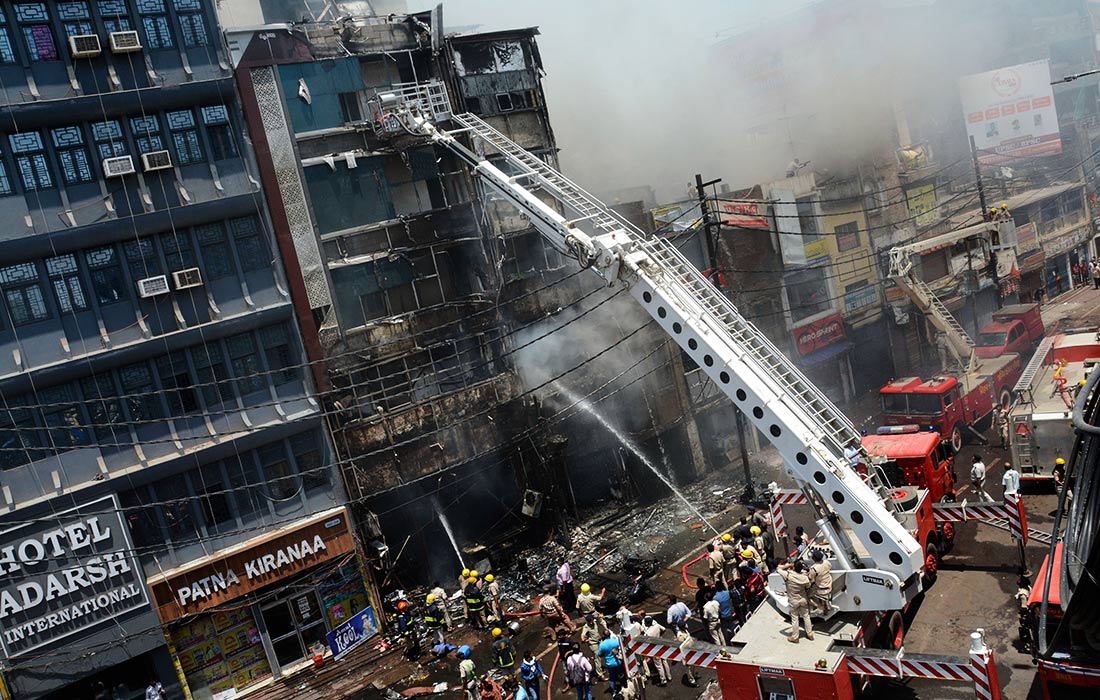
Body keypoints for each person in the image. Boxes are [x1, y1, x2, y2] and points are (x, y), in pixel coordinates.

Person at [777, 560, 813, 643]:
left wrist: (789, 565)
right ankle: (810, 634)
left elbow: (778, 569)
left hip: (793, 600)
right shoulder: (805, 578)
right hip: (803, 599)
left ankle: (795, 637)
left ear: (793, 567)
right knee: (806, 616)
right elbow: (808, 587)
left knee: (795, 618)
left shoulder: (788, 575)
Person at [642, 616, 671, 687]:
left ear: (647, 623)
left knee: (658, 665)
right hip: (661, 645)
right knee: (664, 661)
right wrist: (660, 635)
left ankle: (663, 680)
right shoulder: (657, 626)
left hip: (654, 649)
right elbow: (664, 629)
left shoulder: (647, 633)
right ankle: (669, 676)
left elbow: (646, 643)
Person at [580, 613, 609, 681]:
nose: (591, 622)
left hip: (599, 641)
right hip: (593, 644)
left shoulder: (595, 622)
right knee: (597, 658)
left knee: (604, 652)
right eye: (590, 621)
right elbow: (582, 635)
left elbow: (599, 617)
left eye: (592, 620)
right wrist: (584, 639)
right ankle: (600, 675)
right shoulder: (586, 627)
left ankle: (599, 670)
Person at [598, 628, 625, 694]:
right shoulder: (615, 641)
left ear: (603, 635)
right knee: (620, 675)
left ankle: (614, 692)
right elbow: (621, 648)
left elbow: (600, 654)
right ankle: (622, 688)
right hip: (618, 662)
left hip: (610, 664)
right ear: (610, 635)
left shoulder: (602, 645)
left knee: (612, 678)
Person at [808, 550, 833, 615]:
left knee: (808, 596)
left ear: (815, 558)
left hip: (821, 588)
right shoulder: (826, 562)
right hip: (829, 585)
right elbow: (830, 567)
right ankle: (825, 606)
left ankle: (820, 607)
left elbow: (810, 578)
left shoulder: (814, 568)